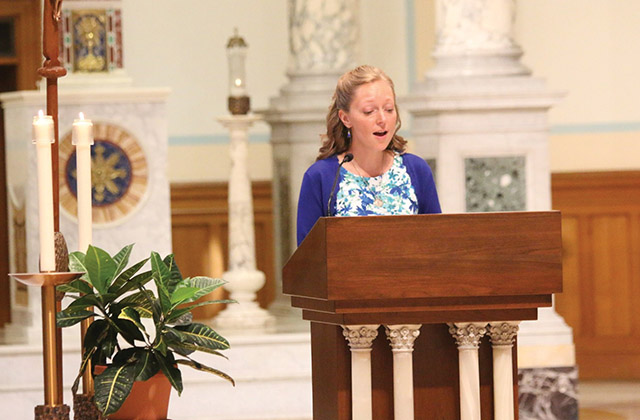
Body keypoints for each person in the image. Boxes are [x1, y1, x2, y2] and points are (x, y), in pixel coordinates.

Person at [296, 65, 441, 246]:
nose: (382, 119)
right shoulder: (320, 177)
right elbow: (308, 260)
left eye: (389, 109)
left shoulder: (416, 170)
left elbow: (437, 245)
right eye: (369, 111)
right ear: (345, 118)